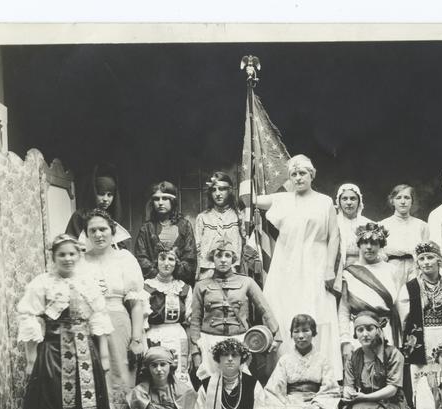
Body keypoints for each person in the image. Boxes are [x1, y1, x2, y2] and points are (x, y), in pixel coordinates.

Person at [17, 234, 115, 409]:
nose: (68, 258)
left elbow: (99, 319)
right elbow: (29, 317)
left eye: (72, 254)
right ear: (53, 257)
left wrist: (104, 357)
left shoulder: (87, 283)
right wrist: (31, 359)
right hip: (54, 353)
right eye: (62, 254)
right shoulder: (43, 284)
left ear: (79, 255)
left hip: (85, 351)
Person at [254, 154, 343, 380]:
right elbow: (250, 199)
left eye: (302, 173)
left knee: (317, 311)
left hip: (315, 262)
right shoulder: (282, 200)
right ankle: (286, 374)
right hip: (288, 265)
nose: (298, 177)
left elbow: (334, 237)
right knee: (286, 310)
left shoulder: (325, 202)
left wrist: (330, 268)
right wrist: (249, 176)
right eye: (293, 174)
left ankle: (320, 374)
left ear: (312, 175)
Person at [81, 208, 149, 409]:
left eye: (103, 229)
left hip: (119, 325)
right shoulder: (80, 260)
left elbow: (137, 302)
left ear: (112, 232)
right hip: (88, 326)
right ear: (87, 234)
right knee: (93, 376)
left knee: (121, 374)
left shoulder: (124, 258)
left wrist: (137, 338)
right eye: (93, 230)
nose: (98, 235)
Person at [189, 237, 281, 380]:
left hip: (239, 341)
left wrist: (277, 335)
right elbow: (195, 320)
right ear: (212, 258)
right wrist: (195, 350)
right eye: (218, 255)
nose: (223, 260)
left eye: (227, 255)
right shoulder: (201, 285)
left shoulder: (246, 282)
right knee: (211, 385)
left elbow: (265, 309)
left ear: (233, 259)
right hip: (209, 342)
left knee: (240, 384)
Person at [397, 241, 442, 383]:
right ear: (417, 263)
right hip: (421, 342)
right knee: (422, 385)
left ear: (439, 260)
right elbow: (403, 321)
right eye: (422, 259)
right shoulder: (409, 288)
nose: (426, 262)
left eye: (430, 257)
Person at [338, 223, 400, 363]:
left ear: (381, 245)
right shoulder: (349, 273)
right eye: (365, 242)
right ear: (359, 245)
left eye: (374, 243)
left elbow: (398, 306)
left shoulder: (391, 270)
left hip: (386, 331)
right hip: (359, 333)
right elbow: (344, 310)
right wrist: (345, 341)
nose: (369, 247)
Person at [134, 180, 197, 286]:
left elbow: (190, 258)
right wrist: (159, 277)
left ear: (172, 201)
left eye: (165, 198)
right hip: (154, 285)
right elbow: (141, 258)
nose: (160, 203)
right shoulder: (146, 228)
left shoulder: (185, 226)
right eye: (156, 199)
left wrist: (174, 274)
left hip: (180, 284)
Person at [144, 247, 192, 384]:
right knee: (157, 376)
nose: (166, 263)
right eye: (162, 258)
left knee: (179, 376)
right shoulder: (147, 287)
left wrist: (189, 350)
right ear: (156, 261)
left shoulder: (184, 288)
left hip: (178, 336)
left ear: (176, 262)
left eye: (171, 259)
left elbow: (189, 322)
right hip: (154, 335)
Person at [195, 172, 251, 281]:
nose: (218, 193)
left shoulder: (239, 216)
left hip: (234, 271)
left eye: (222, 189)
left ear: (229, 190)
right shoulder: (202, 218)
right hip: (208, 272)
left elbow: (246, 244)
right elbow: (197, 248)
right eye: (214, 190)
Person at [67, 163, 132, 251]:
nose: (106, 199)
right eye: (101, 194)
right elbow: (69, 246)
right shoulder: (79, 216)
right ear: (93, 193)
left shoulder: (114, 216)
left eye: (110, 195)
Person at [379, 184, 430, 290]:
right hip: (392, 269)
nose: (403, 201)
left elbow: (427, 252)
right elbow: (380, 253)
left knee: (415, 300)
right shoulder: (382, 225)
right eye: (398, 198)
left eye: (407, 198)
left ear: (412, 201)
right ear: (392, 201)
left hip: (416, 269)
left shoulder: (421, 226)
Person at [334, 183, 373, 268]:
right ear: (339, 201)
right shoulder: (332, 222)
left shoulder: (368, 224)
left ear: (359, 201)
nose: (349, 202)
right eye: (344, 199)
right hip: (336, 268)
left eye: (353, 199)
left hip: (364, 268)